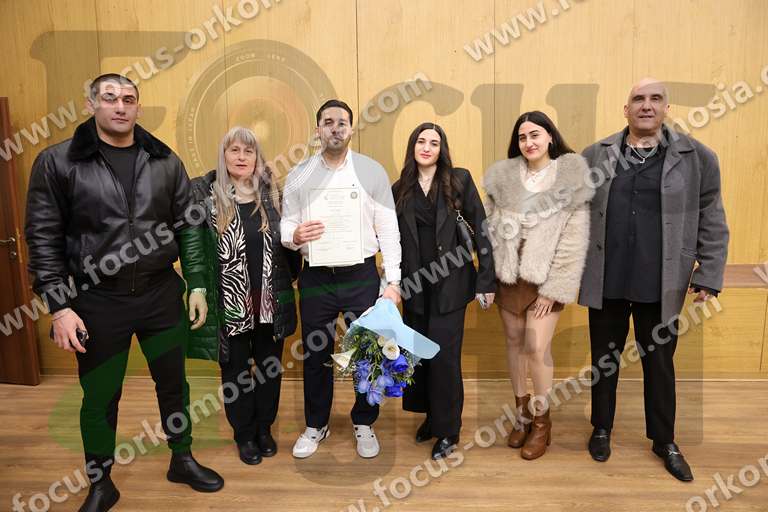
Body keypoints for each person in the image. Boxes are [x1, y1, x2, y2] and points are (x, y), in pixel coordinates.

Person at [24, 74, 223, 512]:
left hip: (159, 294)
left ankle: (182, 459)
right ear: (91, 103)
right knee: (100, 396)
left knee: (174, 385)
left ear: (138, 107)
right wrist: (59, 307)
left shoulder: (164, 159)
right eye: (110, 97)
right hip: (96, 300)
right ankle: (101, 483)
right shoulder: (58, 162)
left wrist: (197, 282)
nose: (120, 106)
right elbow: (42, 237)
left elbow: (190, 224)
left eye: (128, 99)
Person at [579, 78, 729, 482]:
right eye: (638, 99)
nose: (647, 105)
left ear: (666, 108)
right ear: (626, 109)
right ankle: (601, 428)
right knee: (603, 360)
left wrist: (709, 273)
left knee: (659, 363)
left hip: (661, 281)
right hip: (607, 278)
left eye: (655, 99)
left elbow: (712, 216)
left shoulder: (697, 157)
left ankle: (664, 440)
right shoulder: (596, 155)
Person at [281, 99, 402, 459]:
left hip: (360, 274)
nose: (335, 128)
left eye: (342, 122)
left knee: (368, 352)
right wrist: (294, 236)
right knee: (316, 354)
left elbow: (389, 229)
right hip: (316, 276)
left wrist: (393, 282)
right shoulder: (299, 174)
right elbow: (286, 223)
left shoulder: (371, 171)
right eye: (328, 122)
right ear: (317, 129)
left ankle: (364, 421)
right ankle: (316, 424)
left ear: (351, 129)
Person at [185, 126, 300, 465]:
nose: (241, 157)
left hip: (268, 301)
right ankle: (244, 434)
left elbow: (289, 243)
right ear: (223, 156)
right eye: (234, 150)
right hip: (229, 302)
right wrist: (197, 287)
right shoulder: (205, 197)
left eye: (248, 151)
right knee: (235, 372)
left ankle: (264, 428)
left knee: (268, 368)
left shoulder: (273, 195)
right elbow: (194, 247)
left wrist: (291, 278)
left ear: (257, 158)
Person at [484, 111, 594, 460]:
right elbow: (488, 228)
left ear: (549, 136)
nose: (528, 142)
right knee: (514, 342)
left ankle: (542, 423)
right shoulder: (503, 177)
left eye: (535, 135)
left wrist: (553, 288)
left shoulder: (570, 177)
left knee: (536, 347)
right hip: (509, 273)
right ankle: (522, 416)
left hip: (546, 277)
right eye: (522, 137)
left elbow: (574, 239)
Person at [392, 123, 495, 460]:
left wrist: (486, 281)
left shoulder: (459, 180)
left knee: (445, 360)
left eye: (434, 143)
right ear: (412, 147)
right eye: (421, 141)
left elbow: (482, 229)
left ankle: (449, 430)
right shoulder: (400, 188)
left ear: (442, 149)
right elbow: (390, 237)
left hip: (451, 285)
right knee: (420, 357)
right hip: (414, 287)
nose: (427, 147)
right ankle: (431, 417)